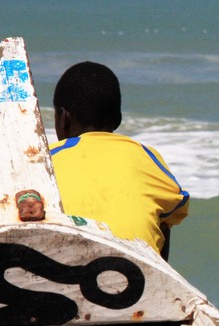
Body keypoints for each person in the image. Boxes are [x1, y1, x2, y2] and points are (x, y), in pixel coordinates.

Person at [49, 61, 189, 260]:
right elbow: (174, 206)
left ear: (64, 117)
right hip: (135, 277)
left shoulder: (41, 160)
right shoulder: (145, 156)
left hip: (57, 272)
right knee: (162, 220)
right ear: (118, 119)